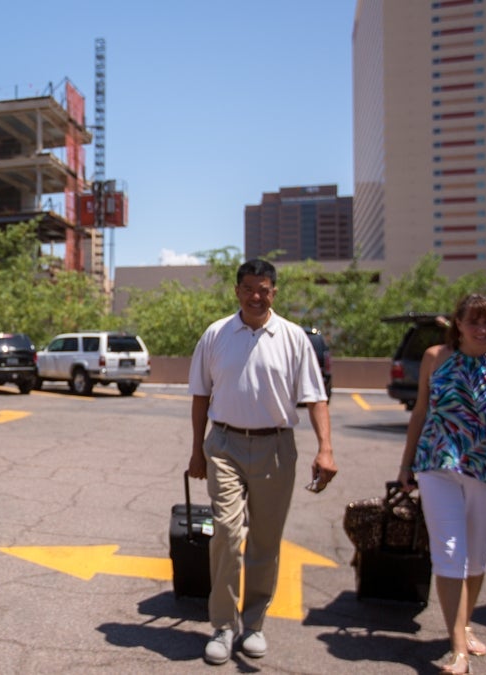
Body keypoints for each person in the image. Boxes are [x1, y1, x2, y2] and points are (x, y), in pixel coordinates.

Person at [186, 258, 337, 666]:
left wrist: (325, 448)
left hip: (275, 448)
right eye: (249, 288)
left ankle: (253, 625)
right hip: (224, 446)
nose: (257, 296)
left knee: (266, 541)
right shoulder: (216, 334)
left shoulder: (292, 337)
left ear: (274, 292)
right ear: (237, 291)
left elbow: (314, 397)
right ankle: (221, 626)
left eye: (264, 289)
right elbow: (201, 395)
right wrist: (196, 449)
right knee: (228, 535)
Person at [398, 293, 486, 675]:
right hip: (437, 463)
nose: (482, 329)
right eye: (474, 321)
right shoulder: (435, 358)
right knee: (449, 551)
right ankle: (458, 649)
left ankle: (464, 623)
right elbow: (420, 412)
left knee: (476, 555)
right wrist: (405, 465)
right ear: (458, 324)